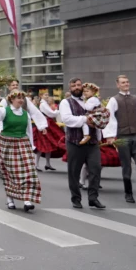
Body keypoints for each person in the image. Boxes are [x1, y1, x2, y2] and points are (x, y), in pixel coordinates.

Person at [0, 89, 44, 212]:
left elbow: (28, 131)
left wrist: (31, 146)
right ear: (12, 99)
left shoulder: (25, 114)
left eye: (22, 98)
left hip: (22, 143)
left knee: (29, 171)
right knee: (10, 173)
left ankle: (27, 200)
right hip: (7, 144)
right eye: (18, 97)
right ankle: (10, 199)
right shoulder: (4, 111)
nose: (21, 100)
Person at [102, 75, 136, 203]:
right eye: (123, 82)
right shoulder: (114, 100)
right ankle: (128, 193)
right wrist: (109, 135)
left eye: (127, 82)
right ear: (118, 85)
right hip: (122, 136)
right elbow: (109, 117)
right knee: (126, 166)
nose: (126, 84)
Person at [59, 78, 106, 210]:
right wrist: (86, 119)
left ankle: (93, 198)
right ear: (70, 88)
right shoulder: (66, 102)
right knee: (74, 171)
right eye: (74, 86)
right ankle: (76, 198)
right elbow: (67, 119)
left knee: (96, 169)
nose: (77, 87)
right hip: (75, 142)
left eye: (79, 85)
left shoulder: (91, 101)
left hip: (92, 143)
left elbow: (100, 117)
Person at [35, 93, 65, 171]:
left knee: (48, 145)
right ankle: (36, 164)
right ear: (41, 96)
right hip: (45, 124)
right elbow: (51, 114)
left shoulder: (44, 104)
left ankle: (47, 164)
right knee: (41, 145)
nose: (47, 96)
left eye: (47, 95)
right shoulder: (43, 104)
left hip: (47, 124)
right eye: (45, 95)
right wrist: (58, 111)